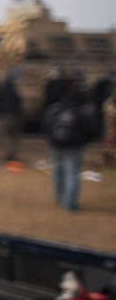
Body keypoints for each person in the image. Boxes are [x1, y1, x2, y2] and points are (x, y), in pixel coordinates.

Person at [42, 78, 97, 211]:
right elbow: (91, 128)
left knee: (57, 170)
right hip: (75, 145)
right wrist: (84, 141)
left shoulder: (55, 108)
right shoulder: (82, 111)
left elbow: (46, 123)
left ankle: (59, 197)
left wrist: (51, 138)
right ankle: (70, 204)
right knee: (72, 172)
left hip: (56, 143)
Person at [0, 71, 24, 163]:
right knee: (14, 138)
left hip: (5, 117)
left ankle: (9, 153)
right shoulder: (16, 93)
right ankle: (12, 153)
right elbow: (20, 105)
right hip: (16, 118)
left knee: (3, 136)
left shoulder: (1, 92)